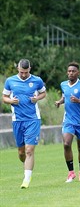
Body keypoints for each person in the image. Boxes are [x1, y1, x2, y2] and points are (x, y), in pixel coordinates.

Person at [2, 59, 47, 189]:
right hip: (17, 120)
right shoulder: (10, 81)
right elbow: (4, 98)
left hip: (33, 119)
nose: (23, 75)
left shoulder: (37, 80)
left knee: (29, 150)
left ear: (30, 69)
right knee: (21, 152)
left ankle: (26, 179)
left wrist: (36, 98)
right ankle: (26, 165)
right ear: (18, 69)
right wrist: (11, 100)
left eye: (26, 72)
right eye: (21, 72)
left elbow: (43, 93)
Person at [54, 62, 80, 183]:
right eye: (69, 71)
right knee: (66, 144)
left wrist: (78, 101)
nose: (71, 73)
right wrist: (59, 102)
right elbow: (65, 97)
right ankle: (71, 173)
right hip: (68, 120)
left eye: (73, 71)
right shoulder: (63, 85)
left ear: (78, 73)